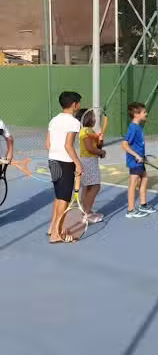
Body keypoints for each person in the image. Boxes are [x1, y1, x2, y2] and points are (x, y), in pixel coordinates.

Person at [46, 91, 83, 243]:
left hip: (52, 161)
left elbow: (47, 144)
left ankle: (52, 228)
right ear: (74, 104)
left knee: (58, 197)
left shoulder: (54, 120)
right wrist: (78, 163)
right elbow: (68, 145)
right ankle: (56, 234)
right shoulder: (74, 122)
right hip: (65, 163)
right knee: (64, 200)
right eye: (79, 103)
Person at [121, 102, 158, 218]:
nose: (146, 113)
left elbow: (137, 144)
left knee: (145, 178)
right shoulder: (133, 127)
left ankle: (143, 205)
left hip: (140, 160)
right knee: (133, 183)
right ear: (136, 114)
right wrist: (136, 156)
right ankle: (130, 210)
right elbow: (124, 145)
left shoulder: (138, 127)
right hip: (134, 161)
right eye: (144, 112)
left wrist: (142, 156)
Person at [77, 109, 106, 223]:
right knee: (95, 187)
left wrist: (100, 141)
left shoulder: (87, 131)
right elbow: (90, 148)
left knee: (87, 187)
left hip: (87, 161)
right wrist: (101, 152)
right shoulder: (86, 131)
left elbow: (96, 145)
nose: (95, 119)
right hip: (89, 161)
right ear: (87, 119)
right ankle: (87, 213)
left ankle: (85, 211)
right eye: (93, 117)